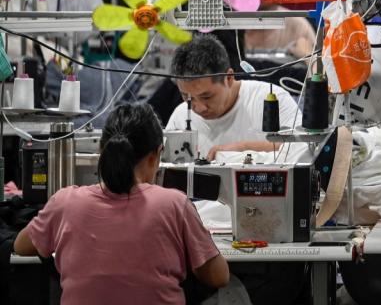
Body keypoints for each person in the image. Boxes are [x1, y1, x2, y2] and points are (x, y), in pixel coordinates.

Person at [14, 103, 230, 303]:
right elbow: (219, 276)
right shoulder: (174, 204)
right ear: (156, 156)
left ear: (100, 150)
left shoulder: (64, 202)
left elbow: (21, 246)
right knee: (233, 292)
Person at [164, 35, 305, 162]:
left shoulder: (271, 100)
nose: (199, 107)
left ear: (229, 78)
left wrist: (244, 148)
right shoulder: (180, 117)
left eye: (206, 96)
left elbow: (304, 149)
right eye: (187, 97)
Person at [244, 0, 317, 59]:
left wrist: (307, 56)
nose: (255, 3)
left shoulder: (297, 26)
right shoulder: (232, 22)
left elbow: (316, 69)